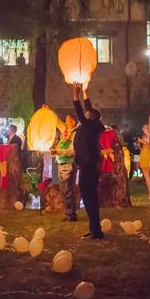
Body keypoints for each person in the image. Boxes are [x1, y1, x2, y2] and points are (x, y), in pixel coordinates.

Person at [72, 83, 105, 239]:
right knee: (88, 198)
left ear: (91, 116)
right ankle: (94, 228)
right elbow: (87, 108)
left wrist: (75, 96)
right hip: (86, 165)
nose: (85, 113)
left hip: (89, 166)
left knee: (90, 198)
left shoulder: (91, 126)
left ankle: (96, 231)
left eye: (88, 112)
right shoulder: (90, 125)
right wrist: (85, 92)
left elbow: (80, 112)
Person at [51, 115, 78, 221]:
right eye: (65, 121)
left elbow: (72, 151)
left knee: (68, 189)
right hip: (61, 163)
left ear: (73, 122)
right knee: (64, 189)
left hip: (69, 163)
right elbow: (57, 121)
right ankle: (68, 212)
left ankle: (71, 214)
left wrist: (57, 151)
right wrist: (48, 110)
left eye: (68, 121)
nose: (65, 123)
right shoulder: (66, 132)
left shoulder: (75, 134)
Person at [138, 125, 150, 195]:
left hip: (149, 154)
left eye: (145, 128)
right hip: (143, 154)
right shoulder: (143, 136)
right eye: (143, 128)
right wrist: (139, 146)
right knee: (145, 174)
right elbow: (142, 147)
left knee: (147, 174)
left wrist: (142, 141)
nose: (143, 129)